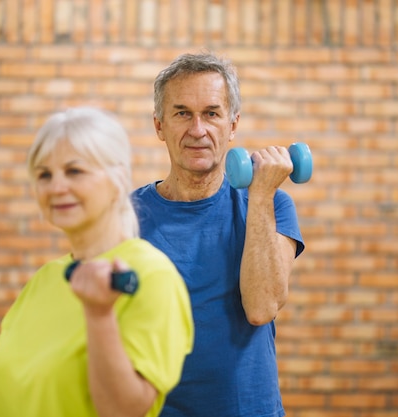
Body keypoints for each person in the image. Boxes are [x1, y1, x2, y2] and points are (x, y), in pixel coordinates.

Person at [0, 107, 194, 417]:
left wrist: (99, 314)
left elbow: (123, 411)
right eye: (44, 174)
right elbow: (14, 394)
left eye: (74, 171)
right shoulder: (46, 279)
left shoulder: (151, 277)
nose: (56, 187)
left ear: (116, 179)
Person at [131, 52, 305, 417]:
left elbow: (261, 309)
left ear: (232, 124)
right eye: (182, 113)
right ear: (159, 126)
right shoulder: (126, 218)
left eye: (211, 113)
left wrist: (260, 195)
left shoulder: (273, 206)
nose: (198, 130)